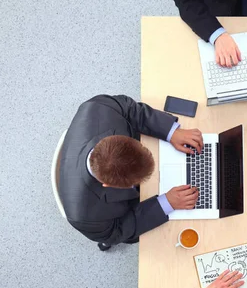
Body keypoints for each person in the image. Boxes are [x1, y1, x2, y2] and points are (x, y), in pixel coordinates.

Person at [59, 94, 203, 250]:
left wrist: (171, 132)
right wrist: (166, 204)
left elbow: (130, 108)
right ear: (107, 184)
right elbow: (116, 232)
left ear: (116, 138)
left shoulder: (99, 107)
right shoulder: (84, 217)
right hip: (122, 211)